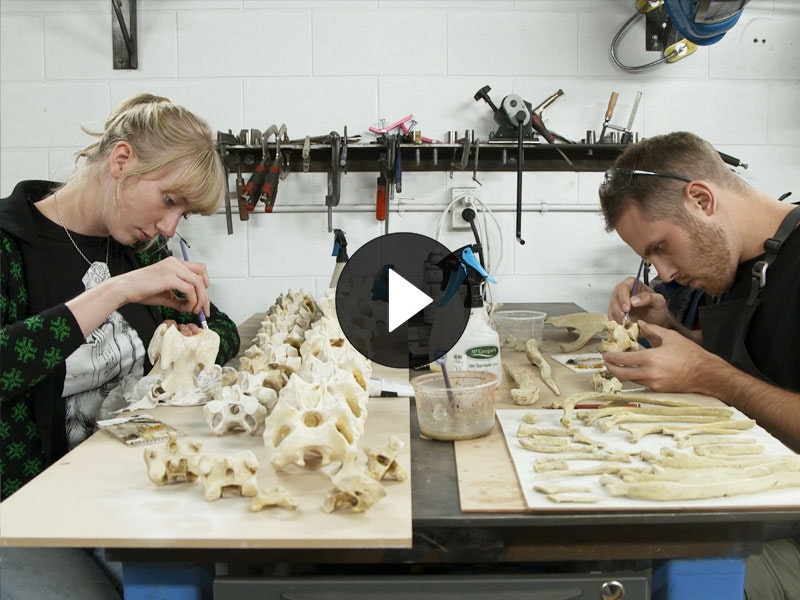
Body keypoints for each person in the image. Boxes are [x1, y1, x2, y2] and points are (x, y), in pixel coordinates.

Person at [0, 93, 240, 599]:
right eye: (169, 200)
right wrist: (114, 291)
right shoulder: (10, 244)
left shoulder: (136, 245)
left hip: (136, 494)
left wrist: (192, 331)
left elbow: (225, 331)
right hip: (32, 515)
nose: (169, 227)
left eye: (184, 215)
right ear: (121, 159)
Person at [598, 131, 800, 600]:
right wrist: (671, 326)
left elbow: (730, 377)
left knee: (658, 578)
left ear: (702, 199)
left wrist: (709, 376)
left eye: (661, 247)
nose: (664, 274)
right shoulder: (740, 263)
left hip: (786, 531)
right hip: (751, 501)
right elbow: (761, 357)